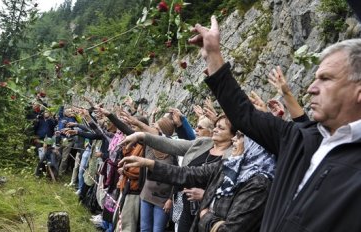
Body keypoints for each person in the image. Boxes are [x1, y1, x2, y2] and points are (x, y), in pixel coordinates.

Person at [190, 15, 361, 231]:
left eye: (326, 79)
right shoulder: (300, 141)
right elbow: (243, 113)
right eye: (315, 78)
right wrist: (213, 54)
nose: (311, 88)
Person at [119, 131, 275, 232]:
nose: (235, 139)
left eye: (241, 137)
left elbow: (230, 229)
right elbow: (187, 173)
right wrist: (148, 163)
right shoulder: (228, 165)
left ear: (255, 146)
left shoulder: (258, 184)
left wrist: (204, 211)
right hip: (187, 210)